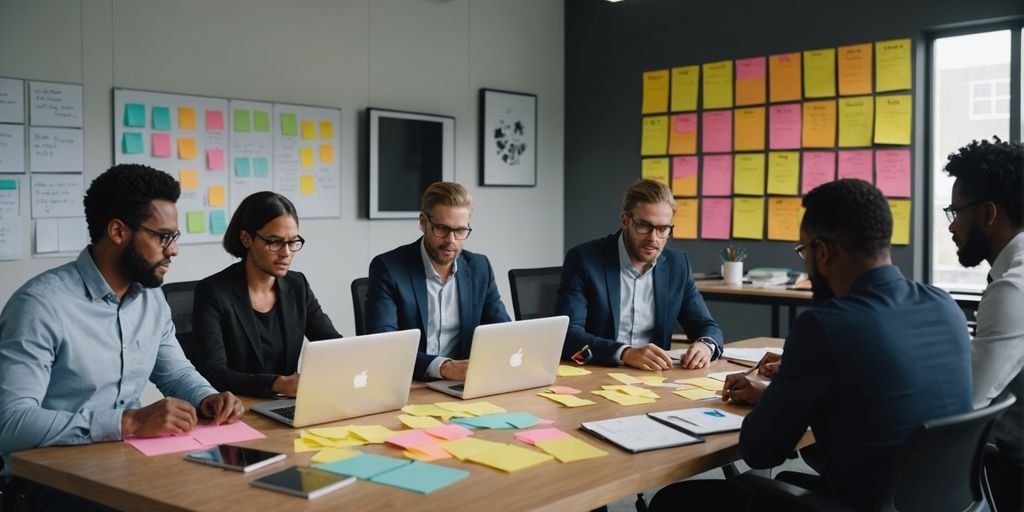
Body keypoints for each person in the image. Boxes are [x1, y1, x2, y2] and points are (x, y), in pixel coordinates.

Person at [719, 179, 973, 510]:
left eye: (803, 251)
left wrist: (783, 389)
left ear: (823, 251)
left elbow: (760, 451)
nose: (806, 264)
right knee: (788, 483)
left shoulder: (827, 325)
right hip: (936, 502)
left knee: (677, 500)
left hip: (864, 504)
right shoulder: (944, 304)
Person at [0, 164, 243, 510]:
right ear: (118, 231)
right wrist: (129, 421)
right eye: (163, 237)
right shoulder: (40, 306)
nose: (173, 251)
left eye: (174, 237)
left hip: (128, 462)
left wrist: (208, 398)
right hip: (46, 481)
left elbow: (174, 372)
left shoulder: (150, 298)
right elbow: (10, 423)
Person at [555, 179, 723, 371]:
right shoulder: (584, 260)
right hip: (598, 372)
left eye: (663, 229)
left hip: (655, 379)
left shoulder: (677, 264)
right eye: (644, 226)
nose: (653, 238)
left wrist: (706, 345)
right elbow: (568, 336)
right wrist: (625, 353)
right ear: (625, 220)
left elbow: (706, 326)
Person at [192, 191, 341, 398]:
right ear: (246, 238)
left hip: (288, 404)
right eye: (275, 242)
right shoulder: (214, 292)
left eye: (292, 242)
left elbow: (331, 343)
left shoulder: (298, 285)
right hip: (236, 407)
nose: (286, 252)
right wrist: (276, 384)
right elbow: (214, 372)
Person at [944, 137, 1023, 512]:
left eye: (955, 212)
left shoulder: (1014, 288)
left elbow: (968, 399)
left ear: (988, 213)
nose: (951, 226)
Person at [365, 182, 510, 381]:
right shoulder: (389, 268)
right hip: (409, 383)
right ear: (423, 223)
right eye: (442, 229)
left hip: (463, 383)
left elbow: (503, 332)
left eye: (460, 231)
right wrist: (444, 368)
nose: (451, 240)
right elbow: (384, 344)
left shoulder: (479, 267)